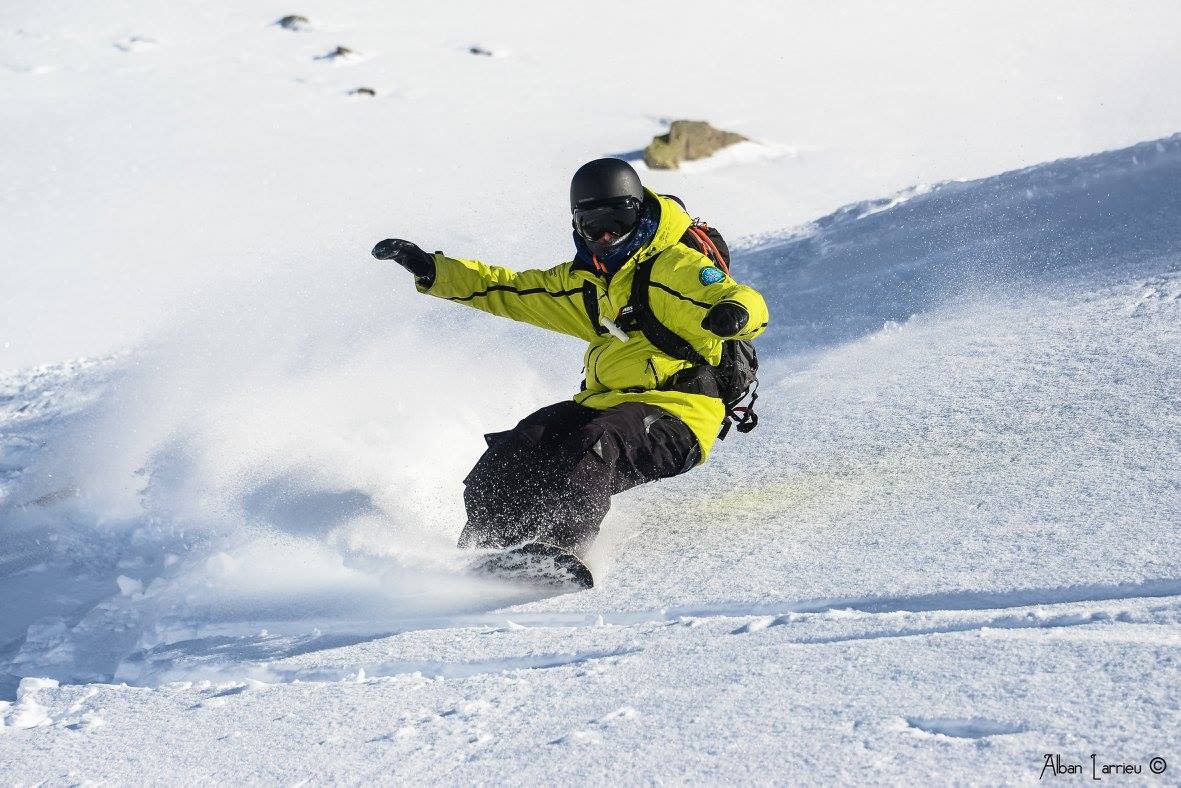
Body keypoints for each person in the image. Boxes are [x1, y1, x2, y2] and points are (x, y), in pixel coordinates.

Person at [372, 158, 768, 561]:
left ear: (640, 211)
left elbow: (740, 298)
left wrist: (733, 312)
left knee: (595, 445)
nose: (607, 234)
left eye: (618, 217)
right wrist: (432, 270)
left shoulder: (674, 267)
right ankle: (486, 549)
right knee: (518, 446)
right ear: (577, 224)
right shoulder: (584, 283)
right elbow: (506, 288)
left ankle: (561, 551)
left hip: (679, 413)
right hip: (603, 406)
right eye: (593, 223)